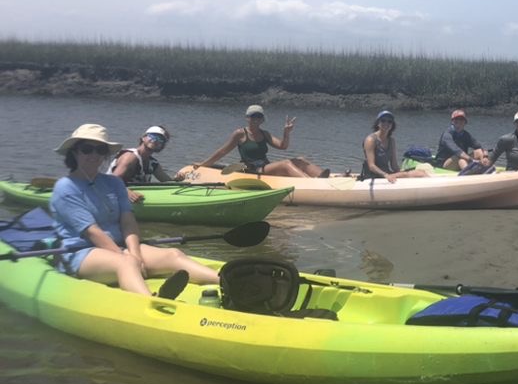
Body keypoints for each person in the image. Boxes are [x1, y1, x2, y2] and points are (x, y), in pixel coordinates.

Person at [49, 123, 220, 297]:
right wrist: (129, 259)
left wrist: (135, 253)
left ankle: (224, 281)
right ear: (75, 152)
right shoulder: (65, 187)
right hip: (80, 253)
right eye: (87, 149)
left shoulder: (113, 183)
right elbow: (92, 232)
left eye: (100, 150)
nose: (94, 155)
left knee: (173, 254)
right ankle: (149, 301)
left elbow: (127, 222)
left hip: (120, 246)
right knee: (126, 263)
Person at [196, 105, 329, 177]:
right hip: (252, 169)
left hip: (265, 166)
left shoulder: (265, 134)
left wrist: (286, 133)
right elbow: (222, 151)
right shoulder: (240, 134)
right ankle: (310, 183)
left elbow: (283, 146)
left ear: (262, 119)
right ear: (247, 118)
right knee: (286, 164)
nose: (256, 119)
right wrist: (203, 164)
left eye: (259, 117)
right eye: (253, 116)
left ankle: (322, 177)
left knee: (300, 160)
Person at [109, 125, 180, 203]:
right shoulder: (130, 156)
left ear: (162, 146)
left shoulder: (153, 163)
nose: (156, 140)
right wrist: (126, 192)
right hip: (113, 194)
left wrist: (178, 180)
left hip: (136, 198)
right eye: (153, 136)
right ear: (143, 138)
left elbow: (167, 182)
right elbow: (112, 180)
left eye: (161, 139)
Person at [362, 110, 429, 183]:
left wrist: (403, 172)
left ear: (392, 125)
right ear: (378, 123)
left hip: (386, 174)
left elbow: (394, 165)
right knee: (415, 174)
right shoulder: (370, 140)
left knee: (420, 172)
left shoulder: (391, 141)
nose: (386, 123)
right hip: (373, 176)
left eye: (389, 121)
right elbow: (371, 166)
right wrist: (386, 175)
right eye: (383, 121)